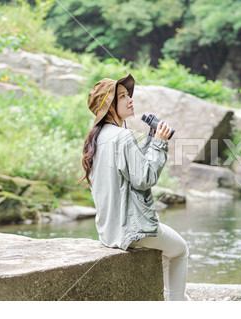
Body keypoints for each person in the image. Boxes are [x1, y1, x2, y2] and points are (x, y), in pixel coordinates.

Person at [77, 74, 190, 301]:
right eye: (122, 96)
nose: (130, 100)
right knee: (180, 250)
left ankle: (179, 300)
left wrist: (151, 138)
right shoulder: (123, 136)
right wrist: (159, 143)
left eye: (129, 95)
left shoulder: (99, 138)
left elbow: (134, 169)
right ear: (109, 106)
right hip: (132, 231)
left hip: (109, 231)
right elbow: (145, 177)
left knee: (167, 255)